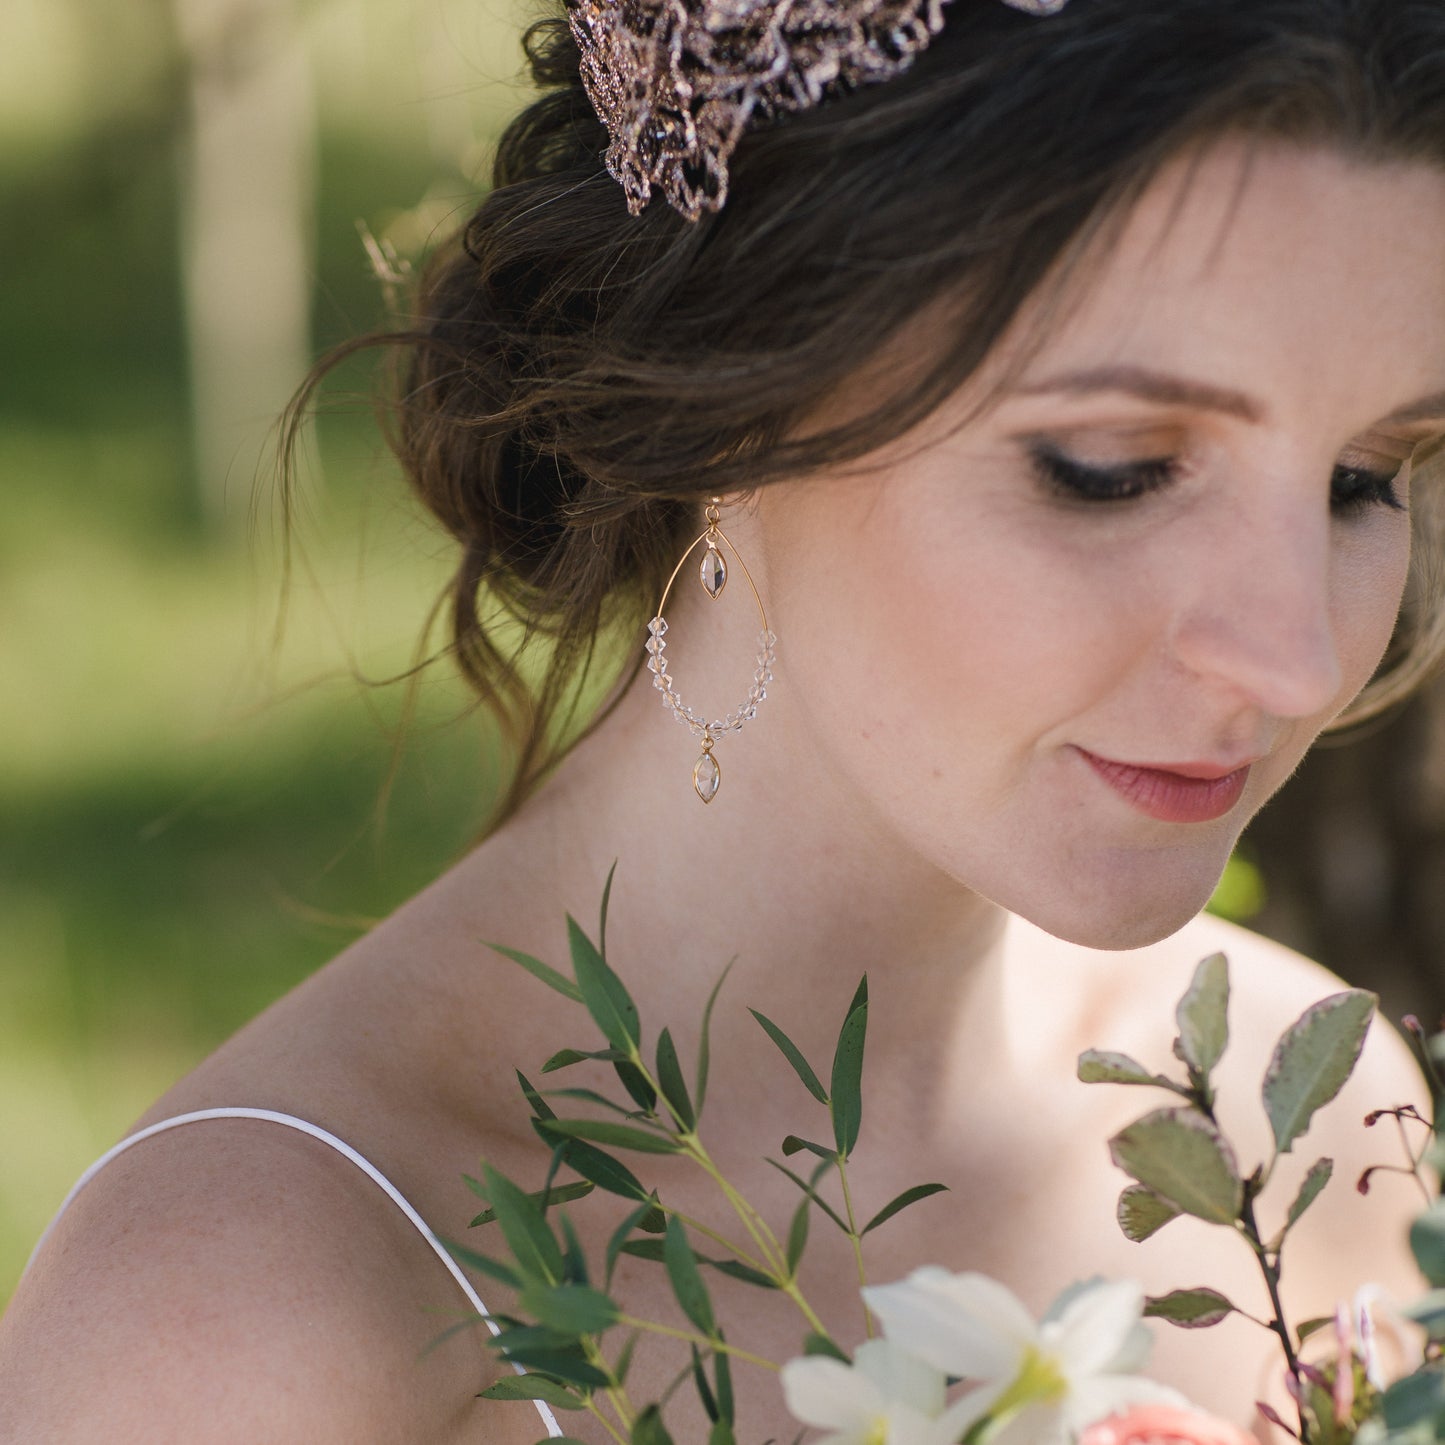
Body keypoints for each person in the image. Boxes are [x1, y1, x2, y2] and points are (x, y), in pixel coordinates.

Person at [4, 0, 1445, 1440]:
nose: (1298, 657)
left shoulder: (1294, 1109)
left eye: (1364, 477)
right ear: (732, 401)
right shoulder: (256, 1324)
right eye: (1110, 468)